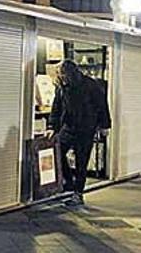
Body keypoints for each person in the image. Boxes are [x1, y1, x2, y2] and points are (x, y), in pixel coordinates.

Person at [47, 60, 111, 206]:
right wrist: (52, 126)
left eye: (61, 73)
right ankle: (69, 182)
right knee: (58, 152)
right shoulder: (62, 87)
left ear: (69, 73)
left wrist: (104, 125)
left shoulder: (90, 85)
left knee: (81, 162)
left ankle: (78, 193)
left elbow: (102, 105)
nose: (60, 76)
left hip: (86, 129)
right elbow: (56, 107)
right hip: (68, 127)